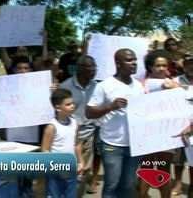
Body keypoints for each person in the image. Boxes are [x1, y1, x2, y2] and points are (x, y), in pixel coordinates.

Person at [86, 49, 145, 198]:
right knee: (112, 185)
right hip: (111, 144)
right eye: (129, 60)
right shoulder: (104, 86)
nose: (134, 63)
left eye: (135, 60)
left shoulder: (139, 86)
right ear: (118, 64)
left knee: (128, 185)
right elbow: (89, 112)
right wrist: (110, 106)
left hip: (133, 145)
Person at [139, 50, 179, 198]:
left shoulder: (175, 83)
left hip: (167, 133)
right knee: (147, 167)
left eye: (164, 65)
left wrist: (177, 88)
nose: (161, 68)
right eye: (157, 65)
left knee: (164, 168)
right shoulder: (142, 85)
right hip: (147, 132)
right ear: (150, 67)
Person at [59, 55, 100, 196]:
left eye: (95, 67)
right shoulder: (65, 86)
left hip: (89, 132)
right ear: (79, 69)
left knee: (83, 169)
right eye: (90, 67)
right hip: (69, 134)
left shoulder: (97, 87)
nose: (94, 70)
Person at [41, 89, 85, 198]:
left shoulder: (75, 123)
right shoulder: (52, 127)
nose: (72, 106)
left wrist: (81, 161)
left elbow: (77, 143)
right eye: (68, 104)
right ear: (57, 107)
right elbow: (45, 150)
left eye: (72, 103)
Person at [171, 53, 193, 196]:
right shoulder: (175, 81)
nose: (191, 66)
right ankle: (178, 184)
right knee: (178, 159)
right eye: (189, 63)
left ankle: (192, 185)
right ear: (184, 65)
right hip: (178, 126)